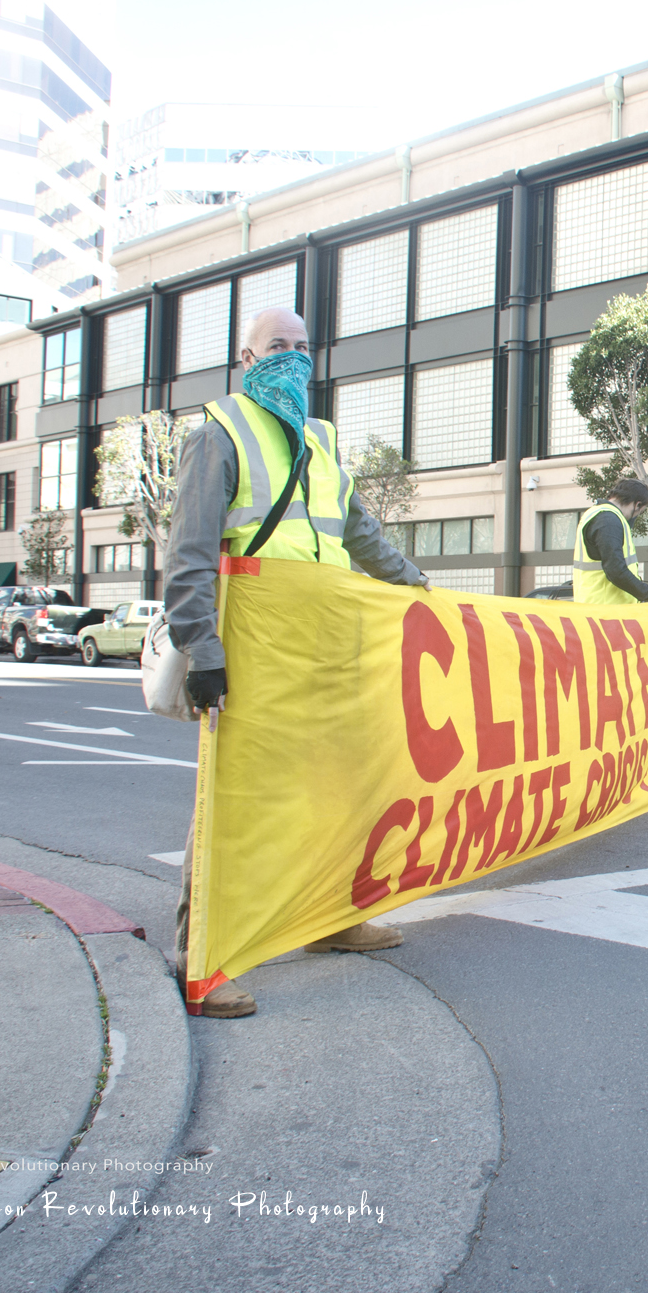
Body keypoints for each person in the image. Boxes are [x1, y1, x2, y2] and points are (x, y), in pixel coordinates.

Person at [164, 307, 430, 1019]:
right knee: (237, 800)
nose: (291, 358)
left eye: (302, 347)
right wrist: (202, 648)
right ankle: (201, 952)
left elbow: (360, 534)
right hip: (251, 650)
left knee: (337, 789)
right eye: (276, 347)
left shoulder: (320, 441)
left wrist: (419, 588)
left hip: (324, 649)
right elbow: (188, 553)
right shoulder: (218, 434)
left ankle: (332, 918)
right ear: (245, 358)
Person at [574, 479, 648, 606]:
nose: (636, 516)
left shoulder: (596, 514)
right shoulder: (609, 521)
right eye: (641, 511)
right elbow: (616, 571)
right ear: (637, 505)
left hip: (597, 608)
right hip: (606, 611)